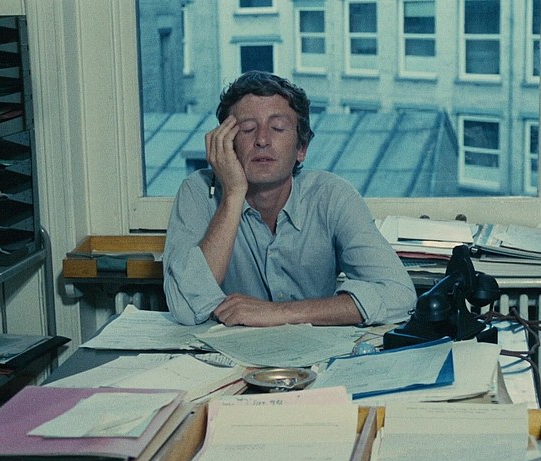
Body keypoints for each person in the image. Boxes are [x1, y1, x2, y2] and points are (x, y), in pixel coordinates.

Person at [162, 71, 416, 327]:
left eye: (277, 128)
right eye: (247, 129)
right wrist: (233, 194)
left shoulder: (332, 197)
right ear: (227, 144)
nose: (262, 140)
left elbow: (400, 297)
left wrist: (278, 313)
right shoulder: (197, 192)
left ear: (301, 148)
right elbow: (184, 308)